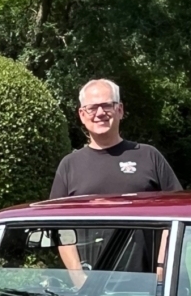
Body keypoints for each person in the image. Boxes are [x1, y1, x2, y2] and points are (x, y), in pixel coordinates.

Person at [50, 79, 181, 280]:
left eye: (107, 105)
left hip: (149, 282)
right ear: (82, 115)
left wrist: (162, 269)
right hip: (93, 285)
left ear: (120, 110)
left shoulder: (148, 156)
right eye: (92, 107)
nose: (100, 113)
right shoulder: (69, 165)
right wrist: (78, 277)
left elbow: (176, 214)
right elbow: (59, 228)